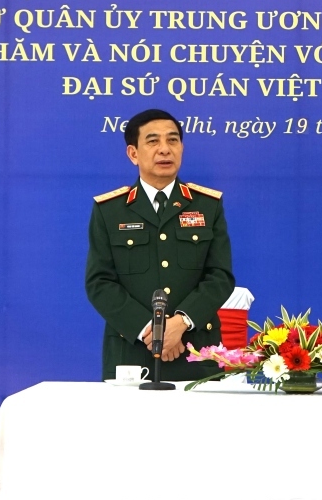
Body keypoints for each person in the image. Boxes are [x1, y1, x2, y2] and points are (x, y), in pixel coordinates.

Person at [86, 109, 235, 381]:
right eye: (153, 141)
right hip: (132, 354)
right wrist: (152, 331)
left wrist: (180, 323)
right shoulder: (110, 210)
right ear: (133, 153)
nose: (165, 149)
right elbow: (100, 282)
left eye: (173, 140)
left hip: (196, 352)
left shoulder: (207, 205)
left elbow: (220, 276)